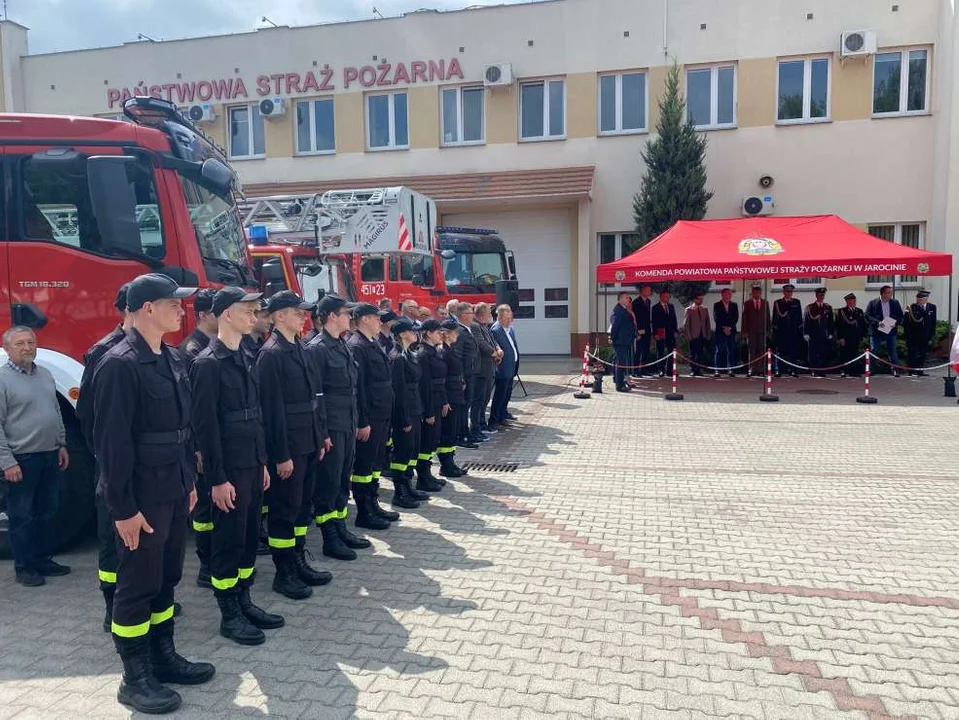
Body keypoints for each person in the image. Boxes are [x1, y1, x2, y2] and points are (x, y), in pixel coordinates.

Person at [92, 273, 214, 714]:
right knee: (136, 587)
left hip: (174, 490)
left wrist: (189, 485)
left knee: (166, 581)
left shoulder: (171, 359)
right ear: (147, 308)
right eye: (173, 304)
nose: (181, 310)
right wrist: (122, 508)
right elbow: (111, 444)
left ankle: (163, 656)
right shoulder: (120, 364)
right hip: (140, 500)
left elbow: (184, 433)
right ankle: (134, 676)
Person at [190, 287, 283, 646]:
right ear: (226, 314)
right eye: (248, 311)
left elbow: (255, 417)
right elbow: (205, 428)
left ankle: (245, 600)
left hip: (250, 464)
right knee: (228, 542)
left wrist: (261, 463)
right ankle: (229, 613)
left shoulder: (245, 354)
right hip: (227, 470)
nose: (254, 316)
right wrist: (216, 479)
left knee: (246, 540)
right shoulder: (208, 364)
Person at [256, 290, 329, 600]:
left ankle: (298, 560)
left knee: (301, 508)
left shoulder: (300, 347)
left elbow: (315, 397)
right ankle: (284, 571)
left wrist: (321, 434)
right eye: (297, 311)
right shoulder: (271, 354)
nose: (303, 316)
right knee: (284, 510)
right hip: (289, 447)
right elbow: (271, 412)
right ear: (279, 316)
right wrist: (281, 455)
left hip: (308, 440)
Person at [78, 283, 132, 626]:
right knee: (112, 540)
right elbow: (89, 414)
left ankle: (136, 595)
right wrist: (105, 459)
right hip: (111, 464)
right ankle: (113, 604)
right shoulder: (106, 352)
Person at [1, 326, 70, 588]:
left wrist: (61, 443)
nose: (27, 347)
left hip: (50, 455)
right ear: (7, 349)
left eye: (31, 342)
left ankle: (43, 560)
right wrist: (7, 462)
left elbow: (55, 411)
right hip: (21, 460)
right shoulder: (2, 379)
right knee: (21, 516)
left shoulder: (46, 375)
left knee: (47, 512)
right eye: (20, 343)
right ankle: (24, 567)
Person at [306, 294, 369, 560]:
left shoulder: (341, 344)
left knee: (343, 480)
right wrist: (323, 433)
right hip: (331, 426)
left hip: (347, 421)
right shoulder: (318, 348)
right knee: (329, 483)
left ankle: (340, 527)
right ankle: (329, 537)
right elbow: (316, 396)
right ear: (331, 316)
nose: (349, 318)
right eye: (345, 313)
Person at [346, 303, 400, 528]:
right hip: (371, 415)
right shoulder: (357, 345)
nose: (380, 321)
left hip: (382, 411)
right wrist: (363, 421)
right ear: (365, 319)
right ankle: (364, 511)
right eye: (376, 318)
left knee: (376, 463)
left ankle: (373, 502)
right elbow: (360, 388)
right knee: (364, 466)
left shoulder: (373, 342)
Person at [179, 286, 218, 590]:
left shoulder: (212, 347)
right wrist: (199, 448)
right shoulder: (193, 350)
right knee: (204, 508)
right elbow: (193, 406)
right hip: (200, 443)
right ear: (204, 314)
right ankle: (206, 565)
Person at [389, 318, 431, 501]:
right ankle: (400, 491)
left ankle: (408, 484)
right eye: (412, 331)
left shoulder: (410, 354)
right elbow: (398, 391)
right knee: (403, 451)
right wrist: (403, 419)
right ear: (402, 334)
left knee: (413, 450)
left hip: (415, 408)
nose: (416, 333)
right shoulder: (397, 357)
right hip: (405, 411)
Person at [419, 319, 452, 484]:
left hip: (439, 398)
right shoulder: (423, 354)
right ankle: (423, 477)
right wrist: (429, 411)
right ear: (428, 334)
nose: (442, 334)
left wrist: (445, 400)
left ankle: (428, 474)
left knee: (433, 440)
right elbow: (425, 385)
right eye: (438, 332)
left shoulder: (434, 351)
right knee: (427, 440)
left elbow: (441, 380)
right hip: (430, 402)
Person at [437, 320, 468, 480]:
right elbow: (441, 378)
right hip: (449, 395)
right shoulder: (443, 351)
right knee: (448, 432)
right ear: (446, 333)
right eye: (455, 332)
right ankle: (445, 464)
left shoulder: (451, 349)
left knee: (453, 430)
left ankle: (451, 462)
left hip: (456, 393)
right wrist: (444, 400)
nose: (457, 334)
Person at [451, 303, 479, 446]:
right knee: (463, 407)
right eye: (470, 312)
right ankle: (462, 436)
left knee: (467, 405)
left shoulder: (467, 330)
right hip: (466, 375)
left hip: (471, 373)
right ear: (463, 315)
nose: (473, 315)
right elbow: (458, 356)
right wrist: (461, 378)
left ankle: (466, 433)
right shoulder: (460, 332)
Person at [470, 303, 501, 434]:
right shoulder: (475, 326)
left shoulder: (484, 326)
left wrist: (499, 349)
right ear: (482, 314)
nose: (491, 315)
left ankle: (483, 424)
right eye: (489, 312)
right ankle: (476, 427)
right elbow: (481, 343)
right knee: (479, 400)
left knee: (486, 398)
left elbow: (492, 341)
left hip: (490, 368)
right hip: (482, 370)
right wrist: (493, 353)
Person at [489, 305, 519, 429]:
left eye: (510, 318)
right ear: (499, 317)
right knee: (500, 395)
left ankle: (503, 415)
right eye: (506, 319)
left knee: (506, 394)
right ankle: (495, 420)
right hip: (502, 368)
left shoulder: (510, 329)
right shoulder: (495, 330)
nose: (509, 321)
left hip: (511, 367)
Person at [865, 285, 904, 377]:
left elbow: (900, 316)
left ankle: (895, 370)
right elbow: (867, 315)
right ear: (883, 293)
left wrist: (896, 323)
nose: (891, 294)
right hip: (877, 331)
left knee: (892, 351)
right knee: (874, 351)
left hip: (891, 330)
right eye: (889, 292)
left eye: (891, 292)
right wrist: (877, 322)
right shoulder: (873, 303)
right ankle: (871, 370)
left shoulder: (895, 302)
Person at [771, 284, 803, 377]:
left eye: (791, 292)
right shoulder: (778, 303)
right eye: (787, 291)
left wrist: (799, 331)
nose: (789, 293)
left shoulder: (796, 302)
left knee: (793, 352)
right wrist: (775, 331)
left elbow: (799, 317)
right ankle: (778, 370)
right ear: (784, 292)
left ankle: (792, 370)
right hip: (782, 332)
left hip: (793, 332)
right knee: (780, 352)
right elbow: (775, 318)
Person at [178, 288, 217, 362]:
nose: (224, 316)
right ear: (203, 316)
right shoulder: (192, 350)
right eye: (218, 312)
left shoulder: (219, 342)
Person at [904, 290, 937, 376]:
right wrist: (907, 335)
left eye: (921, 300)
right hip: (913, 335)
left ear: (926, 299)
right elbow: (906, 323)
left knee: (922, 354)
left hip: (925, 335)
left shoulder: (932, 307)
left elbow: (933, 322)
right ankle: (911, 371)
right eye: (918, 299)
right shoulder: (912, 307)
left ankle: (920, 370)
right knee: (912, 353)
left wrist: (931, 334)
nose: (919, 301)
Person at [609, 292, 637, 392]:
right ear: (620, 299)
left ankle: (618, 380)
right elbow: (615, 327)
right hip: (620, 341)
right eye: (626, 298)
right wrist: (613, 339)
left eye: (629, 299)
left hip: (624, 340)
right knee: (620, 363)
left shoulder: (622, 309)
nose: (628, 300)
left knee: (619, 361)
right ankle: (619, 386)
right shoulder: (619, 310)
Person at [803, 288, 835, 377]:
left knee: (823, 352)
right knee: (812, 353)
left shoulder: (828, 307)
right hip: (813, 334)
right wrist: (805, 333)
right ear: (816, 296)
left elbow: (831, 322)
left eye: (823, 295)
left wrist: (831, 333)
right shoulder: (810, 307)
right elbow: (806, 321)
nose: (821, 297)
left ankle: (821, 371)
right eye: (820, 295)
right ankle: (813, 370)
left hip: (823, 334)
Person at [741, 284, 771, 378]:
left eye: (758, 292)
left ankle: (761, 370)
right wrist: (744, 331)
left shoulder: (765, 302)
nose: (757, 294)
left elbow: (767, 317)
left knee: (761, 351)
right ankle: (751, 369)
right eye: (755, 292)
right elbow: (744, 318)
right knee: (752, 351)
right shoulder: (747, 303)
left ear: (761, 293)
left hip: (762, 331)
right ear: (752, 293)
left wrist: (768, 330)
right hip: (751, 331)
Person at [835, 293, 867, 378]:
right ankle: (843, 370)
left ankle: (854, 371)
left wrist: (863, 335)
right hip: (846, 337)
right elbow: (839, 325)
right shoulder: (842, 311)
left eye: (854, 300)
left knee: (855, 354)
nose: (853, 302)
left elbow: (863, 324)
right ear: (847, 301)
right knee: (844, 354)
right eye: (851, 300)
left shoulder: (859, 311)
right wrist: (841, 337)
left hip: (856, 337)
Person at [682, 293, 712, 377]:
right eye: (699, 299)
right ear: (695, 299)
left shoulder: (704, 309)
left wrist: (708, 333)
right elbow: (686, 324)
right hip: (693, 335)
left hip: (702, 335)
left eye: (702, 299)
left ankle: (698, 369)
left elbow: (707, 322)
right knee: (693, 353)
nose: (701, 300)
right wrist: (689, 336)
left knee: (700, 353)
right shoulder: (689, 309)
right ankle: (693, 370)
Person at [651, 289, 678, 377]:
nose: (667, 298)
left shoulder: (671, 306)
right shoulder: (655, 307)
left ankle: (670, 370)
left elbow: (674, 320)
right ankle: (661, 370)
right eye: (666, 296)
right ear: (661, 296)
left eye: (668, 296)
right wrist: (655, 334)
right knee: (660, 351)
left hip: (670, 333)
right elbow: (654, 322)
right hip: (660, 332)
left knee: (671, 351)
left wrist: (675, 331)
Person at [713, 288, 739, 377]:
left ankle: (730, 369)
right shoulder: (717, 305)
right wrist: (724, 328)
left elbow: (736, 317)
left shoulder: (734, 305)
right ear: (723, 295)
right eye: (728, 293)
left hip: (731, 331)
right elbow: (717, 318)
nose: (730, 295)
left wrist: (730, 328)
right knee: (719, 351)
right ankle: (717, 370)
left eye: (730, 293)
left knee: (731, 350)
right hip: (721, 332)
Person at [631, 285, 653, 377]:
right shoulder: (636, 302)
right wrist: (638, 331)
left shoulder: (648, 301)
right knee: (638, 350)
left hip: (647, 329)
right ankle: (636, 370)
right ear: (643, 291)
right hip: (640, 330)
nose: (649, 292)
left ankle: (644, 369)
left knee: (646, 350)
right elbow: (635, 318)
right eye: (648, 290)